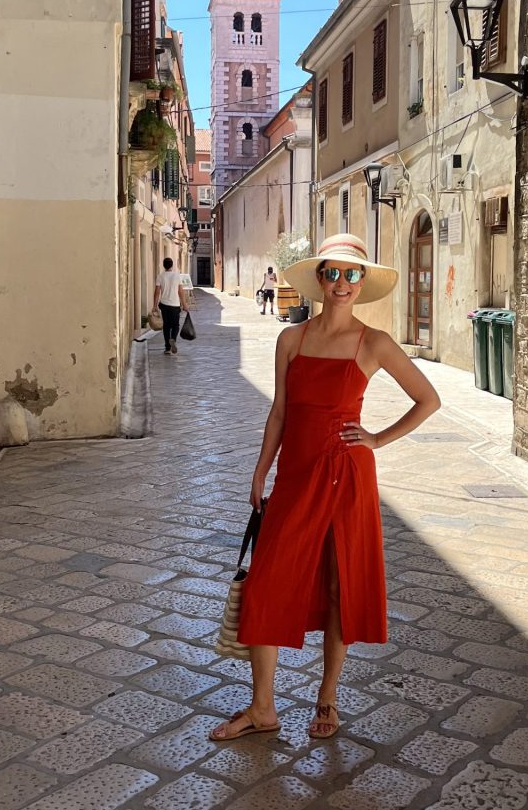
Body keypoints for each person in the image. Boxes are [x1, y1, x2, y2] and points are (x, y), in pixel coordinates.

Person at [210, 233, 441, 742]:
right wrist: (259, 470)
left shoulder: (374, 342)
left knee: (340, 585)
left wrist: (377, 438)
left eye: (351, 274)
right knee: (267, 581)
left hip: (347, 475)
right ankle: (262, 708)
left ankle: (328, 696)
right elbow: (279, 412)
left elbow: (428, 400)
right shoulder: (291, 339)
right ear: (319, 279)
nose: (341, 283)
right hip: (295, 474)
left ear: (362, 283)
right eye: (332, 273)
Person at [153, 257, 187, 355]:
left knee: (166, 326)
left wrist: (155, 305)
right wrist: (184, 305)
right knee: (175, 325)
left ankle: (167, 348)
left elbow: (157, 292)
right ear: (172, 265)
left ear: (164, 266)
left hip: (164, 305)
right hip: (175, 305)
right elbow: (180, 292)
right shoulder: (177, 276)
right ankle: (173, 339)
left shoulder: (160, 276)